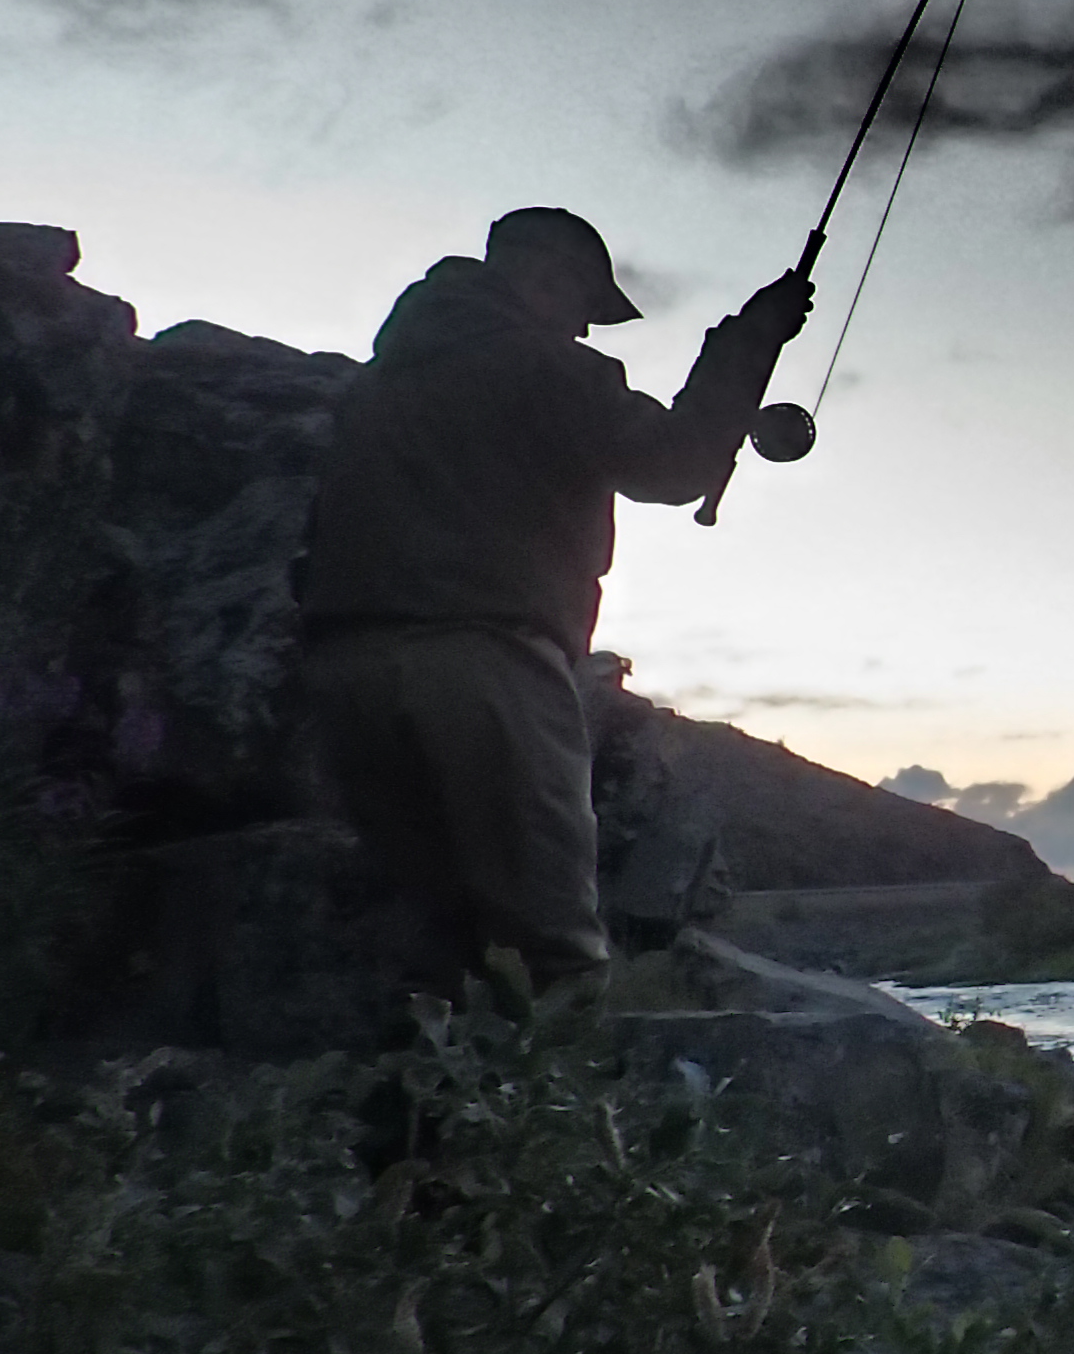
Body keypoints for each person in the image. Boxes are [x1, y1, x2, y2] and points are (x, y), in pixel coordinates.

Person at [299, 206, 811, 984]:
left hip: (345, 675)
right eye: (583, 309)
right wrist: (747, 344)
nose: (583, 331)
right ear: (543, 279)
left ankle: (435, 1103)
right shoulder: (545, 368)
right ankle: (552, 1102)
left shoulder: (380, 382)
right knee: (551, 953)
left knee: (430, 949)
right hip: (486, 669)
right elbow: (673, 466)